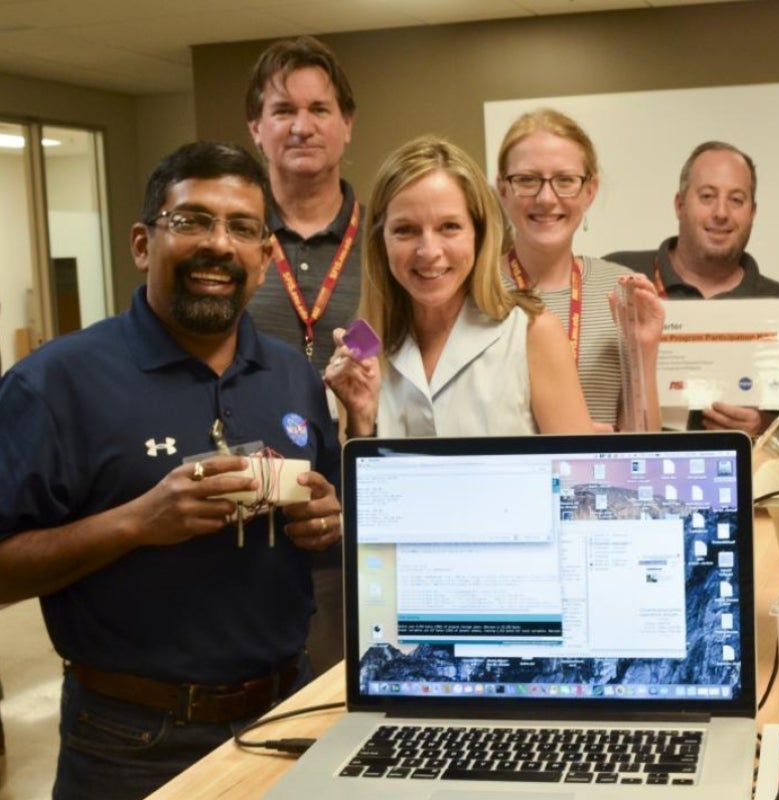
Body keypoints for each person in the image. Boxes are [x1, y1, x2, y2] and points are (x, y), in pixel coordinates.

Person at [0, 141, 342, 800]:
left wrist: (326, 520)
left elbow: (324, 523)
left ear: (264, 259)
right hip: (129, 740)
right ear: (141, 243)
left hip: (286, 714)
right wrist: (136, 523)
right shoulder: (53, 384)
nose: (219, 244)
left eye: (243, 228)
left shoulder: (292, 375)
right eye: (191, 221)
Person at [325, 135, 594, 438]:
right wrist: (361, 426)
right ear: (380, 240)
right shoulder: (360, 349)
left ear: (478, 234)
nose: (429, 251)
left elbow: (581, 479)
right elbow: (358, 482)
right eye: (406, 230)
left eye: (449, 227)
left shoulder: (532, 333)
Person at [244, 34, 357, 674]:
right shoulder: (230, 244)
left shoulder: (393, 239)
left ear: (346, 125)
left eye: (319, 110)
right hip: (252, 536)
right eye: (283, 110)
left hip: (368, 528)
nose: (302, 126)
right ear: (256, 128)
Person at [606, 141, 779, 436]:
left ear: (752, 212)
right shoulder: (622, 277)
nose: (721, 212)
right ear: (680, 205)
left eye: (736, 200)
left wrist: (764, 428)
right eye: (707, 196)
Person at [495, 108, 663, 431]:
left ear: (590, 191)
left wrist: (644, 353)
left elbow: (644, 447)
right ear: (503, 190)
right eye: (527, 180)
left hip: (598, 482)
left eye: (565, 181)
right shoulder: (474, 290)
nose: (546, 198)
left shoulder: (619, 290)